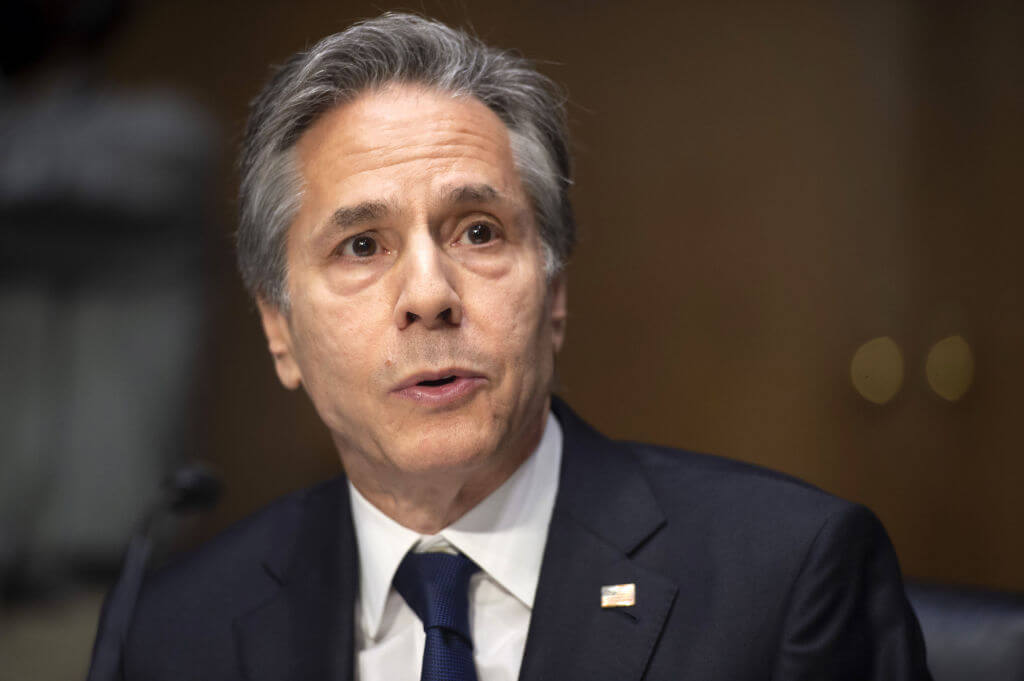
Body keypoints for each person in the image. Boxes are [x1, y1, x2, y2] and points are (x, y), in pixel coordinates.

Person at [117, 12, 932, 681]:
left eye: (478, 231)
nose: (430, 294)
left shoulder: (787, 579)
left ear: (555, 296)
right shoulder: (171, 635)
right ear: (278, 330)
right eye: (362, 246)